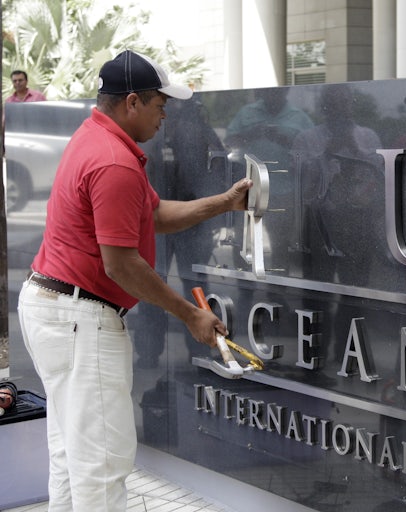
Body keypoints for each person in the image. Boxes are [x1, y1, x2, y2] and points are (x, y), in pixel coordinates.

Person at [16, 49, 252, 511]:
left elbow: (154, 215)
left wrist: (224, 202)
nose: (165, 115)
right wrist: (189, 315)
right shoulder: (114, 163)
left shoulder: (96, 139)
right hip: (81, 320)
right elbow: (121, 264)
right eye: (160, 105)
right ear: (131, 103)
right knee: (102, 464)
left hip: (55, 309)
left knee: (72, 455)